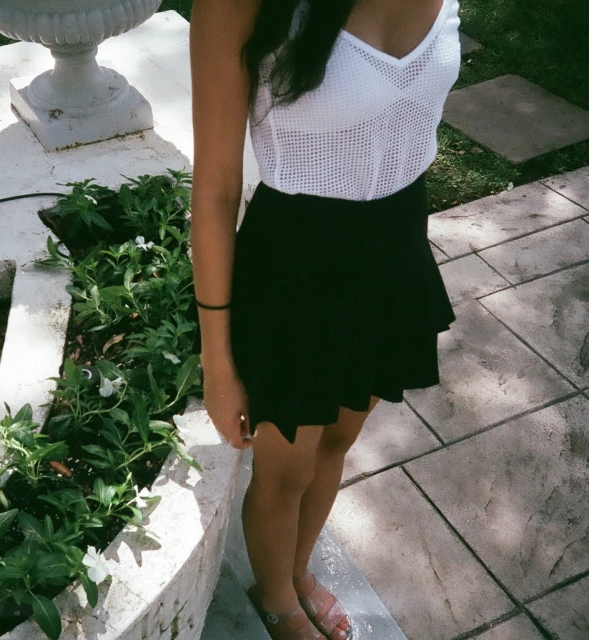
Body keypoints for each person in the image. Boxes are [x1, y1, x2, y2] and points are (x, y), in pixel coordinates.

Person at [188, 0, 460, 637]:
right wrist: (218, 360)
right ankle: (278, 600)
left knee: (337, 442)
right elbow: (216, 188)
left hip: (395, 250)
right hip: (295, 272)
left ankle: (299, 571)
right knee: (284, 469)